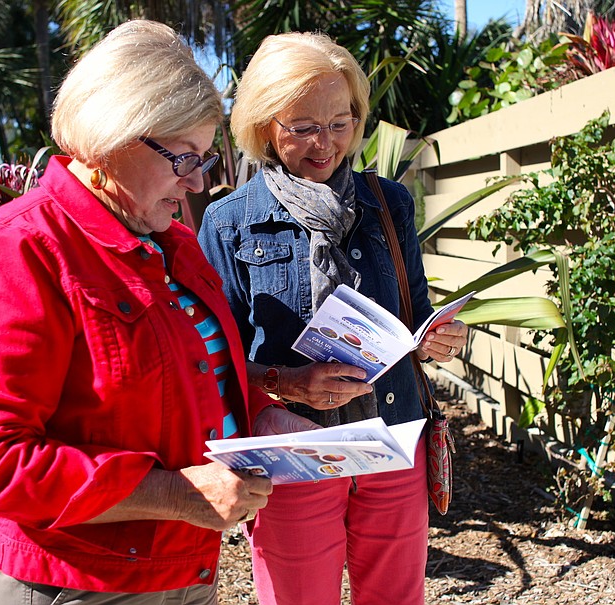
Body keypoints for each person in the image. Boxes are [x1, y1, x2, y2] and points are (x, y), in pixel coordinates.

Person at [0, 20, 314, 605]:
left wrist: (261, 418)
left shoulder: (176, 245)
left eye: (205, 159)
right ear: (115, 136)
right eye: (183, 157)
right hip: (69, 582)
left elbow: (199, 373)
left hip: (180, 568)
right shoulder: (21, 246)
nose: (195, 184)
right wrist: (172, 493)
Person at [197, 32, 469, 605]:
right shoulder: (228, 222)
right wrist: (286, 381)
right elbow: (209, 363)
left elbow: (415, 313)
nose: (325, 144)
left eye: (340, 123)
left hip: (394, 437)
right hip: (292, 454)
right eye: (303, 128)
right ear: (265, 125)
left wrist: (436, 338)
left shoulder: (388, 202)